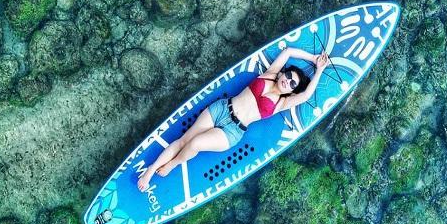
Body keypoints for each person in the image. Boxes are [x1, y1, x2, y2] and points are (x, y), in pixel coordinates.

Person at [137, 47, 330, 192]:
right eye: (288, 75)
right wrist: (313, 58)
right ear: (282, 73)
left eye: (292, 83)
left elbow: (305, 96)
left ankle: (173, 164)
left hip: (233, 131)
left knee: (195, 143)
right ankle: (151, 170)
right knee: (184, 140)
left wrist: (319, 70)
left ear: (292, 90)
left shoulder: (282, 103)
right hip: (222, 108)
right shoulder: (270, 74)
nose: (287, 80)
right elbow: (288, 51)